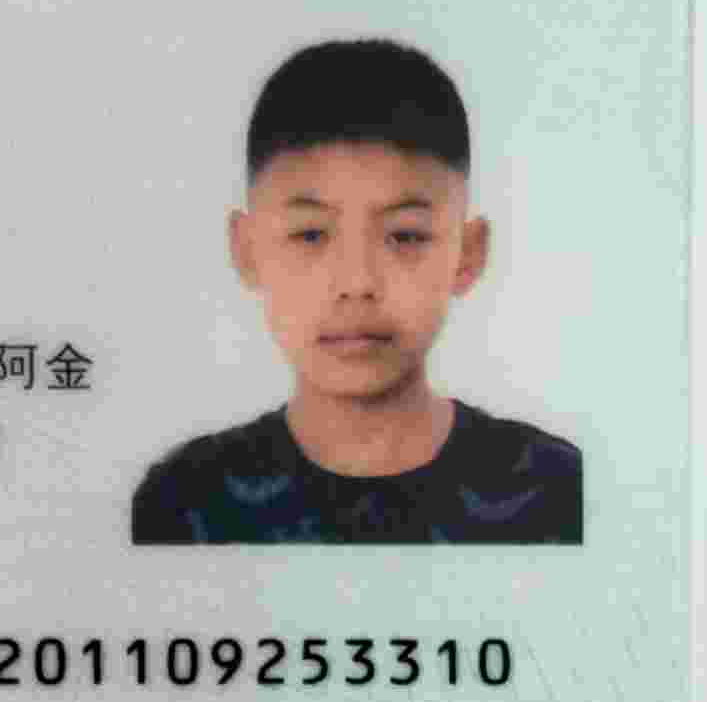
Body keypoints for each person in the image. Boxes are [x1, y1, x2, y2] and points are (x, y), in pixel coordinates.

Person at [130, 38, 582, 545]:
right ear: (247, 249)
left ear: (468, 253)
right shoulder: (182, 502)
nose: (357, 284)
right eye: (310, 235)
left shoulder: (559, 494)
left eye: (404, 236)